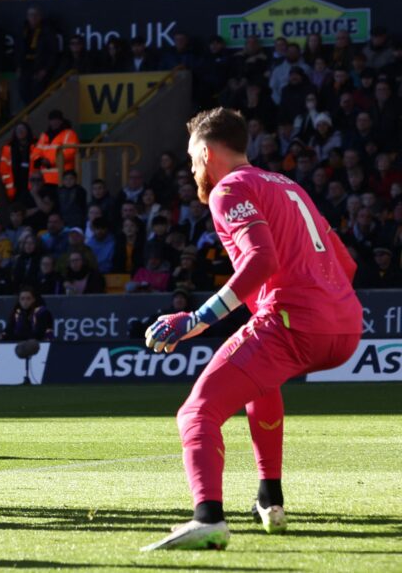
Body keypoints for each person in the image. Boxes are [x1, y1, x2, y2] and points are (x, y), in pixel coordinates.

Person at [141, 107, 362, 551]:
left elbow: (262, 261)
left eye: (190, 160)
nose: (191, 170)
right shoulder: (287, 184)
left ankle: (209, 518)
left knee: (196, 413)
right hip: (346, 325)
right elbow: (348, 264)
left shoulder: (229, 189)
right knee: (261, 381)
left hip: (294, 324)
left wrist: (197, 319)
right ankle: (270, 497)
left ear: (205, 153)